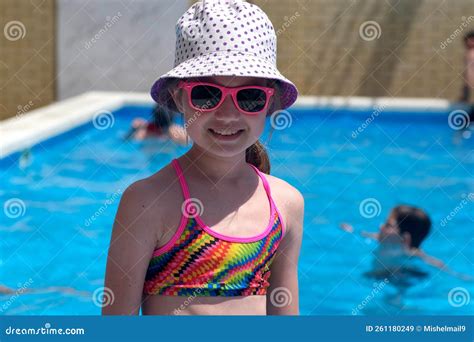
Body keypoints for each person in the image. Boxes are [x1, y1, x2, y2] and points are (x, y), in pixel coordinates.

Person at [103, 0, 304, 316]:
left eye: (249, 96)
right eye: (206, 94)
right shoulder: (147, 201)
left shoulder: (286, 204)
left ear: (270, 103)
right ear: (179, 98)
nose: (227, 114)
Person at [340, 205, 472, 282]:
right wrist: (352, 231)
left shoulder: (413, 256)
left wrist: (463, 277)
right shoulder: (382, 238)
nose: (380, 227)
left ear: (404, 238)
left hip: (404, 276)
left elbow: (440, 266)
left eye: (388, 225)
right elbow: (364, 234)